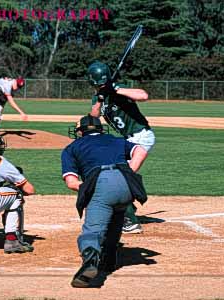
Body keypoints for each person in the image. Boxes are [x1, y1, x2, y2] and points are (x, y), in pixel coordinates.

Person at [61, 115, 148, 288]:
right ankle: (108, 259)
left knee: (92, 231)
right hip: (127, 184)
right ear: (100, 129)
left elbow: (72, 182)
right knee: (116, 217)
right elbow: (141, 150)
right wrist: (129, 172)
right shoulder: (115, 140)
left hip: (101, 182)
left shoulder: (71, 148)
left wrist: (89, 188)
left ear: (80, 131)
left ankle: (90, 261)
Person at [88, 61, 155, 234]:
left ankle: (130, 221)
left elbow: (143, 95)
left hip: (141, 136)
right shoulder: (99, 95)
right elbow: (93, 117)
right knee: (116, 174)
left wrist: (114, 90)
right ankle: (127, 206)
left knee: (121, 177)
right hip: (128, 139)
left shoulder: (118, 88)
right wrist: (101, 97)